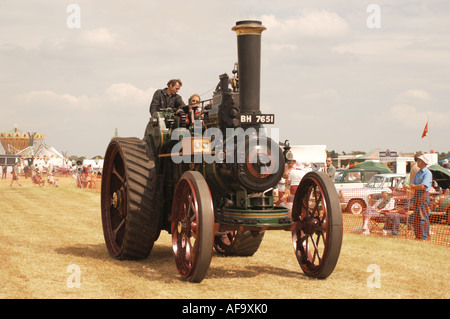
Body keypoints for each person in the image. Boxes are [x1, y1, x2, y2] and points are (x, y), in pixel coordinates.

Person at [405, 154, 432, 240]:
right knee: (416, 216)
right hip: (417, 195)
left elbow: (423, 186)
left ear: (424, 162)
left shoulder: (427, 173)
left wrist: (413, 186)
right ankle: (418, 236)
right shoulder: (419, 172)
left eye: (419, 160)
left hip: (423, 195)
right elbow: (413, 184)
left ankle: (424, 237)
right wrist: (411, 187)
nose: (417, 162)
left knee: (422, 216)